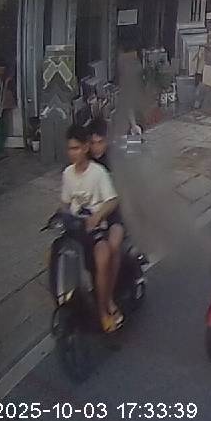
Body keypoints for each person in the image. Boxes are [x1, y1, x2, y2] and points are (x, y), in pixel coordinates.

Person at [61, 124, 122, 332]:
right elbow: (65, 203)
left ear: (85, 148)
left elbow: (112, 200)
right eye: (70, 149)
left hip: (97, 227)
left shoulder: (99, 172)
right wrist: (62, 215)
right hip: (75, 229)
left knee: (104, 254)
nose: (72, 153)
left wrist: (97, 216)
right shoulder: (67, 174)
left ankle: (103, 309)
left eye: (76, 148)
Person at [87, 119, 131, 327]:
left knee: (113, 244)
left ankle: (110, 297)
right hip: (92, 212)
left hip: (114, 213)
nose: (96, 147)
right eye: (93, 143)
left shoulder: (116, 159)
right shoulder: (85, 161)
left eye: (100, 142)